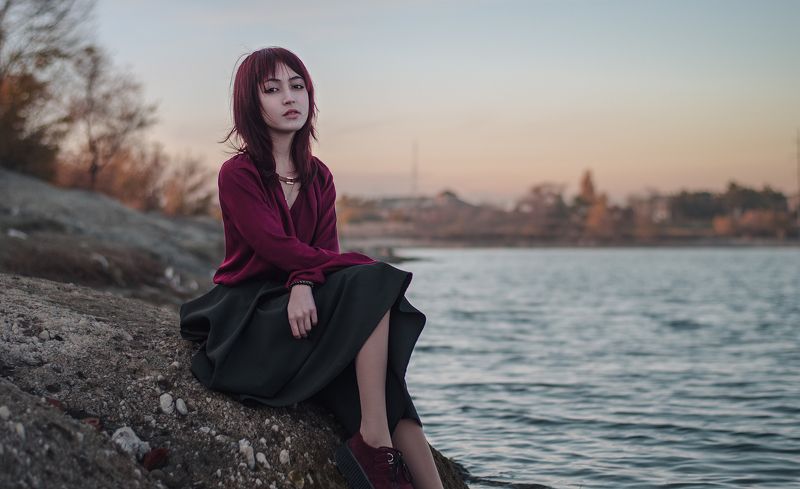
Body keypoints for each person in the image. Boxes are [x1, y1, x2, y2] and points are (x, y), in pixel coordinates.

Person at [178, 46, 445, 489]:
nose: (290, 97)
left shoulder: (319, 175)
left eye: (297, 86)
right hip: (252, 310)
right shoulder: (237, 174)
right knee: (371, 278)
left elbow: (321, 250)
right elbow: (275, 247)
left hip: (303, 302)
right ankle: (374, 441)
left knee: (388, 386)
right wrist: (324, 271)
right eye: (273, 89)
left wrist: (304, 282)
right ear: (252, 102)